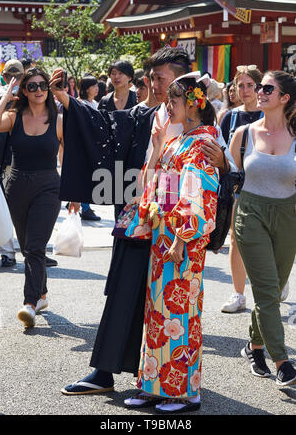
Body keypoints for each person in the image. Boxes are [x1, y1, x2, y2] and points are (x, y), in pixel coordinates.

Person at [50, 47, 234, 396]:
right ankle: (107, 372)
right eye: (152, 78)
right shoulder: (144, 114)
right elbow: (101, 126)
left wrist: (223, 164)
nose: (154, 84)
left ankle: (163, 381)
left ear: (184, 81)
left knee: (167, 306)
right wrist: (67, 100)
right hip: (143, 214)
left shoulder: (200, 126)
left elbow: (218, 173)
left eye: (161, 79)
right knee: (124, 293)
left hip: (173, 221)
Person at [124, 72, 218, 413]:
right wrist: (159, 143)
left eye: (174, 100)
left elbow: (200, 192)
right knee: (159, 312)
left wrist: (180, 237)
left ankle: (182, 391)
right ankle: (154, 384)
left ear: (193, 104)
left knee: (179, 311)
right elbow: (153, 183)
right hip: (164, 234)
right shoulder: (179, 139)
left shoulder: (203, 141)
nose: (168, 104)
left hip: (181, 239)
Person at [230, 70, 296, 386]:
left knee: (271, 292)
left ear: (284, 98)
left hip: (288, 216)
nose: (260, 91)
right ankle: (282, 361)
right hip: (250, 213)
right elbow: (229, 177)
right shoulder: (243, 134)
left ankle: (254, 347)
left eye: (267, 88)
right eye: (259, 87)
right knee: (267, 289)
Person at [0, 67, 64, 328]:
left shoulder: (58, 119)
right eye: (31, 86)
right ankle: (42, 293)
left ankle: (29, 303)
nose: (38, 90)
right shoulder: (14, 116)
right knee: (27, 248)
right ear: (24, 90)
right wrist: (6, 97)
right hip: (17, 186)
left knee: (35, 247)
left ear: (48, 88)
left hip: (49, 186)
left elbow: (66, 159)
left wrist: (74, 195)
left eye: (42, 85)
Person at [220, 65, 264, 313]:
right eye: (241, 85)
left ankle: (272, 283)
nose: (245, 90)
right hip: (238, 184)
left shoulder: (273, 115)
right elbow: (220, 148)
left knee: (268, 238)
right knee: (236, 239)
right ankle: (238, 293)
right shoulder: (229, 117)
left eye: (250, 85)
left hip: (267, 185)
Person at [0, 59, 24, 268]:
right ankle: (8, 252)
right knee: (4, 207)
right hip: (11, 160)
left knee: (2, 207)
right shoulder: (28, 98)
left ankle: (8, 252)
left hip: (9, 160)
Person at [77, 75, 101, 221]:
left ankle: (77, 202)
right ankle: (85, 208)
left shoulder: (95, 103)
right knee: (86, 177)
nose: (97, 88)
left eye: (97, 85)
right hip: (82, 145)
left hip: (93, 145)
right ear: (86, 88)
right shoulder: (81, 104)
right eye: (93, 85)